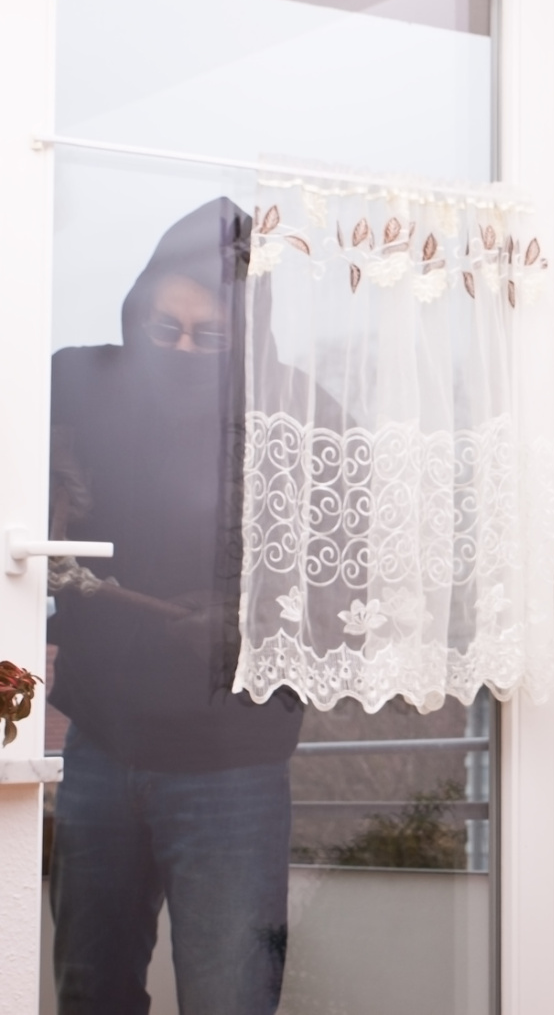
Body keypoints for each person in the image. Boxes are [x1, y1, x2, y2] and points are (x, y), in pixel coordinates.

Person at [47, 198, 303, 1015]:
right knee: (92, 992)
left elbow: (349, 576)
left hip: (234, 765)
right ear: (137, 309)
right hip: (99, 748)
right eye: (167, 330)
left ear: (246, 334)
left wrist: (241, 621)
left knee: (231, 1000)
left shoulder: (293, 414)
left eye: (211, 338)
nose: (186, 349)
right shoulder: (72, 382)